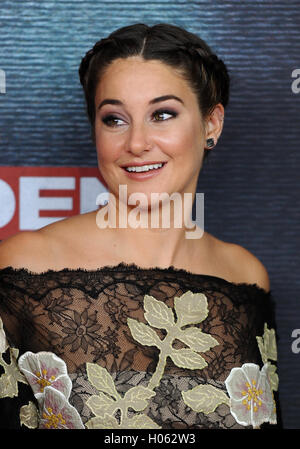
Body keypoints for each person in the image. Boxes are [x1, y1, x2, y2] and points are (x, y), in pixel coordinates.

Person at [0, 23, 281, 429]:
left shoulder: (244, 275)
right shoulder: (25, 267)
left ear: (211, 124)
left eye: (162, 114)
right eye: (114, 119)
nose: (136, 143)